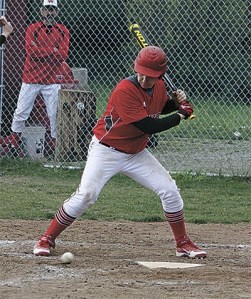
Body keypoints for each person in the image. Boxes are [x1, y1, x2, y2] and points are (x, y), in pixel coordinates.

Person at [33, 46, 207, 259]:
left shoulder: (160, 86)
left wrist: (176, 104)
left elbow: (156, 108)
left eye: (150, 76)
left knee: (169, 190)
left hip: (136, 153)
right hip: (107, 151)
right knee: (87, 195)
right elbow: (148, 126)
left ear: (160, 75)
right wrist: (180, 115)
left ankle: (183, 243)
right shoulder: (124, 89)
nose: (144, 79)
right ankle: (47, 238)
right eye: (141, 73)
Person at [0, 0, 70, 154]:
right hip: (31, 77)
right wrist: (53, 50)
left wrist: (43, 52)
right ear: (41, 11)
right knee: (21, 111)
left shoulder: (63, 30)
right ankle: (14, 141)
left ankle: (54, 147)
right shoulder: (32, 28)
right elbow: (31, 51)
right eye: (47, 9)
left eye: (52, 10)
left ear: (57, 12)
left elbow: (63, 55)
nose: (49, 13)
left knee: (54, 114)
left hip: (52, 80)